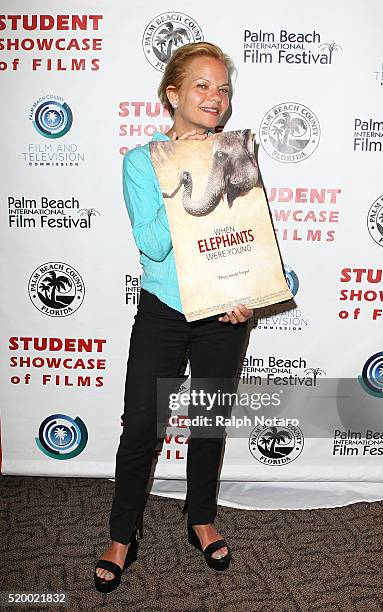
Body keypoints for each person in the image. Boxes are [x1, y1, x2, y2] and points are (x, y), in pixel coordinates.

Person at [94, 41, 253, 592]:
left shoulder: (234, 156)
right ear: (173, 94)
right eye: (203, 86)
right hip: (164, 310)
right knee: (141, 425)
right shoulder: (141, 161)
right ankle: (122, 533)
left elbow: (246, 242)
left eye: (223, 88)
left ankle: (201, 519)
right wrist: (181, 165)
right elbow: (156, 245)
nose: (216, 97)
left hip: (221, 315)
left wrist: (252, 292)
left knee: (208, 424)